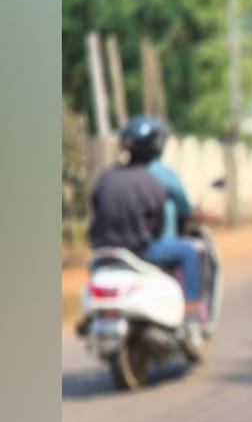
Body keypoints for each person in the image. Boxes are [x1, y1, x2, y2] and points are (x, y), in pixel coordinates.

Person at [88, 116, 217, 323]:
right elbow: (163, 218)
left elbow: (95, 206)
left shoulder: (108, 175)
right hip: (141, 248)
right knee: (190, 252)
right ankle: (191, 308)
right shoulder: (155, 178)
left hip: (103, 249)